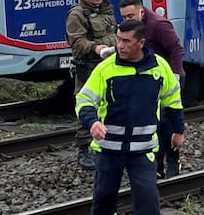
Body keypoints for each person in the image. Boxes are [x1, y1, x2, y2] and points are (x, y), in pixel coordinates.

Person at [76, 19, 185, 215]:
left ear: (141, 43)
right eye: (118, 40)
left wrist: (178, 131)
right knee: (103, 201)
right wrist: (92, 123)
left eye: (126, 41)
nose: (120, 45)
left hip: (143, 151)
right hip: (109, 150)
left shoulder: (159, 68)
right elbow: (84, 99)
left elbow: (173, 101)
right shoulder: (106, 68)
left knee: (148, 202)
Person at [119, 0, 186, 178]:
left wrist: (174, 75)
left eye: (131, 15)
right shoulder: (129, 31)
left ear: (141, 11)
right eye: (124, 17)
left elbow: (176, 49)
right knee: (151, 124)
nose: (127, 20)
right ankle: (156, 166)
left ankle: (173, 162)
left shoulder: (158, 25)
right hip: (146, 81)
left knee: (168, 124)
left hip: (167, 78)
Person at [65, 0, 117, 170]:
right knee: (86, 103)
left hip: (110, 65)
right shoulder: (76, 15)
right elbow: (77, 42)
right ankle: (84, 150)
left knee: (109, 104)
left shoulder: (107, 10)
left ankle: (106, 145)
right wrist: (96, 48)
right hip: (88, 67)